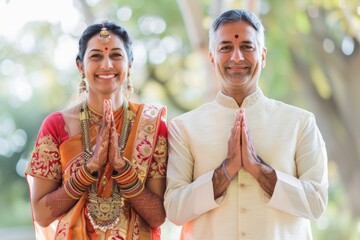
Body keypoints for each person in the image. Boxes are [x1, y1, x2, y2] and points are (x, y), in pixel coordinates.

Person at [164, 9, 328, 240]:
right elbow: (175, 209)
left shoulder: (299, 122)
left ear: (263, 55)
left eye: (247, 47)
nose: (237, 57)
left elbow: (317, 203)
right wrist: (225, 171)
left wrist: (259, 170)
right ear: (212, 58)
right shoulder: (184, 127)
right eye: (226, 47)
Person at [25, 21, 168, 240]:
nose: (107, 65)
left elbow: (158, 216)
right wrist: (89, 169)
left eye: (117, 55)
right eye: (96, 56)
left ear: (130, 65)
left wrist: (122, 167)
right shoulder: (56, 126)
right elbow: (42, 215)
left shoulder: (151, 125)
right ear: (80, 66)